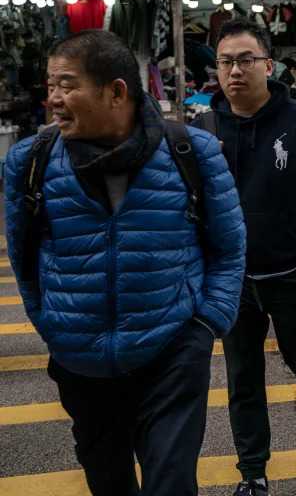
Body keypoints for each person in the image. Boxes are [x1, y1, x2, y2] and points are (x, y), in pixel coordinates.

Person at [4, 30, 246, 495]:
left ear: (116, 91)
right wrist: (53, 325)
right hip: (81, 363)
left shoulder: (192, 152)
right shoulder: (29, 161)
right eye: (50, 85)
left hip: (172, 352)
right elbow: (24, 258)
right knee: (109, 484)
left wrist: (204, 328)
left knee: (170, 486)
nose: (53, 99)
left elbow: (230, 248)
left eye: (66, 84)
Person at [192, 18, 296, 496]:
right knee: (242, 378)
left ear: (267, 64)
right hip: (232, 281)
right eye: (225, 62)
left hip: (292, 273)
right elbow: (191, 204)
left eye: (245, 60)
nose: (235, 70)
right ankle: (253, 472)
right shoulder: (203, 129)